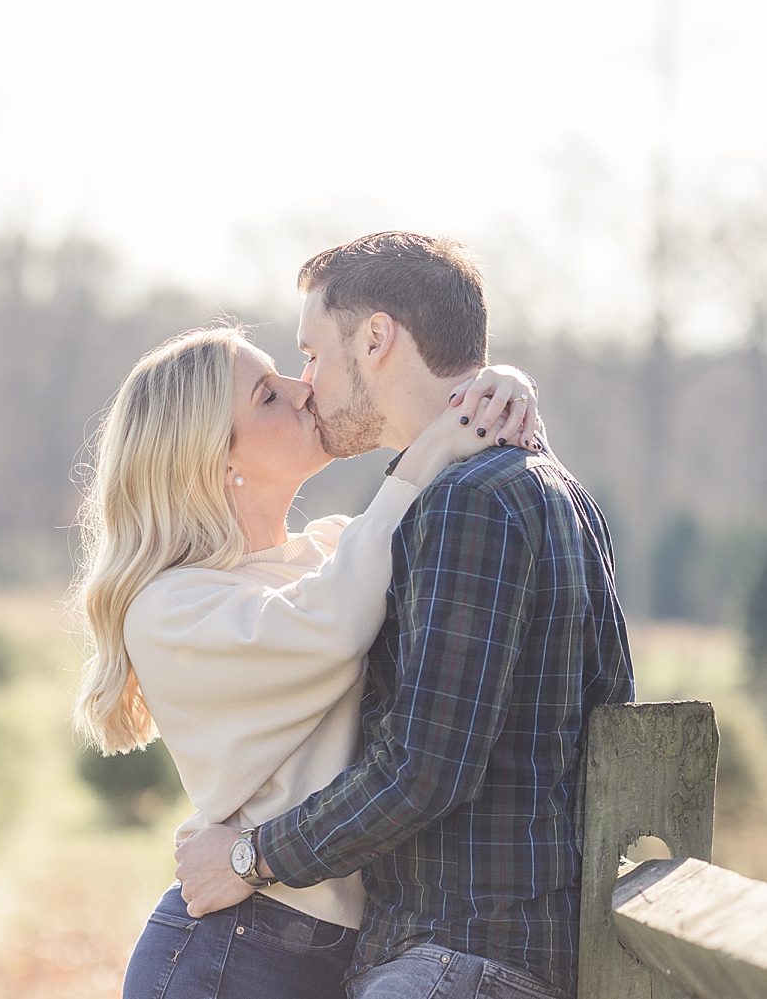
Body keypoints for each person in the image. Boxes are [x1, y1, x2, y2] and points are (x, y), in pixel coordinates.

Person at [172, 232, 634, 999]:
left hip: (459, 960)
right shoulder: (547, 483)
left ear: (377, 338)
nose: (308, 385)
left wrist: (249, 855)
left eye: (314, 354)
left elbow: (424, 769)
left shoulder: (470, 502)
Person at [72, 314, 540, 995]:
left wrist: (503, 387)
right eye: (266, 394)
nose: (302, 389)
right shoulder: (171, 607)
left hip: (336, 951)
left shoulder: (332, 550)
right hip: (233, 953)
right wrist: (430, 449)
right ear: (214, 457)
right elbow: (332, 624)